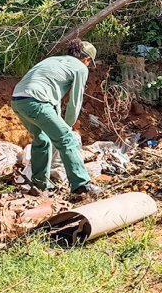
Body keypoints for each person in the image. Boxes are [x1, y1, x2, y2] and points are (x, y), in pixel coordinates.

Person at [10, 39, 103, 196]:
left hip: (18, 100)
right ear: (86, 59)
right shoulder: (80, 68)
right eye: (88, 62)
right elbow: (75, 101)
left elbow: (53, 99)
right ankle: (81, 185)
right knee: (67, 139)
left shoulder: (53, 61)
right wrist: (68, 126)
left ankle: (39, 186)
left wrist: (58, 123)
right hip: (37, 101)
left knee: (42, 140)